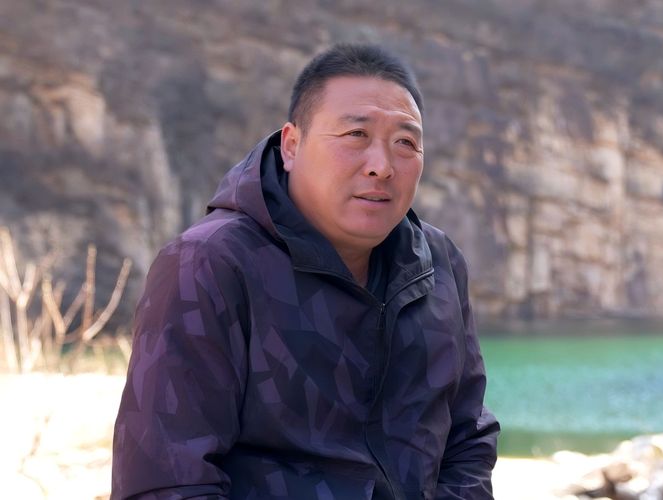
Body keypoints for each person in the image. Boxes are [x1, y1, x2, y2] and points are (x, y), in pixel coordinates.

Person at [112, 43, 500, 500]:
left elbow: (467, 437)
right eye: (356, 134)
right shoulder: (210, 264)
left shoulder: (437, 263)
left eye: (405, 143)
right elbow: (167, 481)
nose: (381, 166)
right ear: (292, 145)